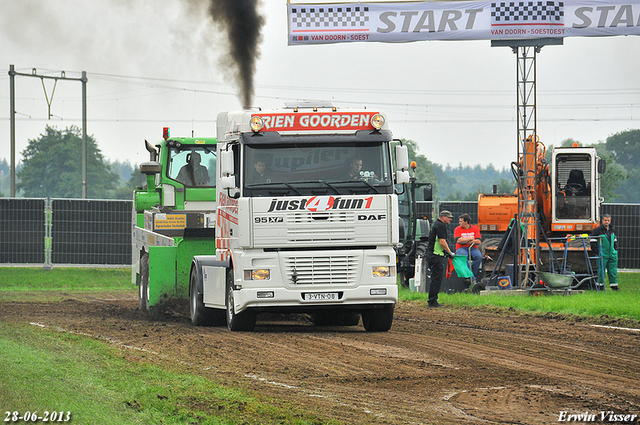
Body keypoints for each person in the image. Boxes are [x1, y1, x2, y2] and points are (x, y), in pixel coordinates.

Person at [426, 210, 456, 307]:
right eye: (449, 217)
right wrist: (449, 252)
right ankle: (432, 301)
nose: (451, 219)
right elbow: (442, 242)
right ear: (443, 217)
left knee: (435, 278)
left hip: (432, 254)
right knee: (437, 279)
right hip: (436, 255)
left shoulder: (436, 224)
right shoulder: (440, 226)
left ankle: (432, 300)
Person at [591, 214, 619, 291]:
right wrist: (597, 251)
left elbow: (615, 240)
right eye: (605, 220)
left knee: (613, 270)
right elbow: (592, 241)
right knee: (601, 270)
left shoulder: (612, 229)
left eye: (608, 220)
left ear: (610, 221)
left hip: (612, 253)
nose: (607, 222)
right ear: (602, 220)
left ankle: (614, 286)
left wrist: (615, 249)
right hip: (602, 253)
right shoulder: (597, 230)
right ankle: (600, 286)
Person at [454, 213, 483, 280]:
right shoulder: (458, 229)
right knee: (463, 256)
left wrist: (464, 240)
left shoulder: (475, 228)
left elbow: (478, 241)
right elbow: (458, 241)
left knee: (478, 256)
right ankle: (470, 276)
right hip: (461, 248)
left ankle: (472, 274)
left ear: (466, 222)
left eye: (461, 221)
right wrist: (471, 239)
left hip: (473, 248)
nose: (459, 223)